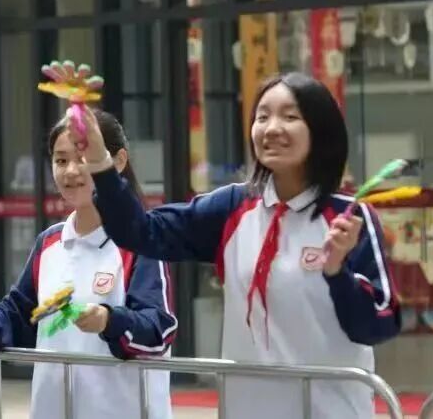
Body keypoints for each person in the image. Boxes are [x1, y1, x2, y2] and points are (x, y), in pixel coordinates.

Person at [78, 72, 401, 418]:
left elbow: (378, 325)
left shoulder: (349, 218)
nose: (272, 128)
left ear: (320, 130)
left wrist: (337, 273)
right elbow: (141, 232)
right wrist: (100, 162)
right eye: (262, 116)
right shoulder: (232, 207)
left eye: (290, 116)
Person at [0, 110, 175, 419]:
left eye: (83, 158)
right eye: (61, 161)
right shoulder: (49, 244)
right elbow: (13, 323)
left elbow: (158, 330)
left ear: (117, 161)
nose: (71, 171)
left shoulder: (140, 241)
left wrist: (109, 320)